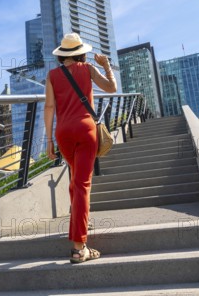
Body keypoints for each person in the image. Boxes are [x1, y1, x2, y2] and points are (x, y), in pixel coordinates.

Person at [44, 33, 117, 264]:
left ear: (63, 55)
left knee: (76, 181)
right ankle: (78, 248)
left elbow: (48, 107)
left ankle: (79, 223)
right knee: (82, 185)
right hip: (86, 131)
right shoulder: (88, 69)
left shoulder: (52, 75)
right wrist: (106, 65)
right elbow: (112, 88)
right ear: (81, 52)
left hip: (63, 133)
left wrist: (48, 141)